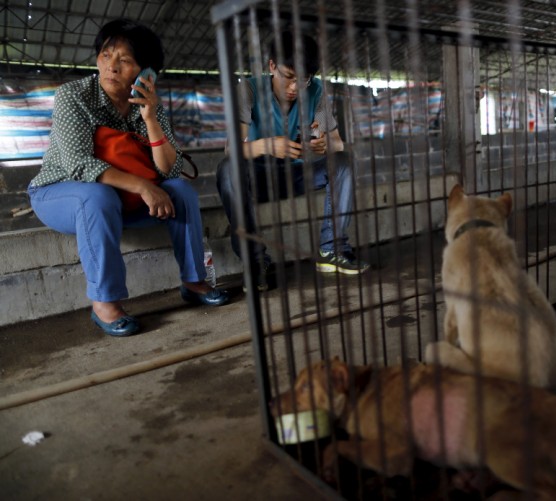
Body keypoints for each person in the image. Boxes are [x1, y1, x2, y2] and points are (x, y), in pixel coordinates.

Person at [27, 19, 229, 337]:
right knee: (96, 196)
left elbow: (170, 170)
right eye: (107, 55)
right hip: (60, 192)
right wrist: (142, 186)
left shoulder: (149, 105)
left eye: (125, 60)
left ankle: (194, 280)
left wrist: (150, 118)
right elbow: (79, 165)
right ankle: (105, 302)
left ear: (145, 71)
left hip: (121, 199)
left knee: (181, 191)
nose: (112, 66)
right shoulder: (74, 96)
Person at [216, 30, 369, 291]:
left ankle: (332, 249)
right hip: (261, 175)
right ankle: (255, 263)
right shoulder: (249, 90)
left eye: (303, 80)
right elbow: (232, 150)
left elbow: (337, 142)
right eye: (288, 77)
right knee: (228, 169)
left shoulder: (317, 91)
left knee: (343, 160)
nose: (294, 88)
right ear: (272, 66)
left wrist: (323, 145)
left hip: (300, 173)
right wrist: (267, 145)